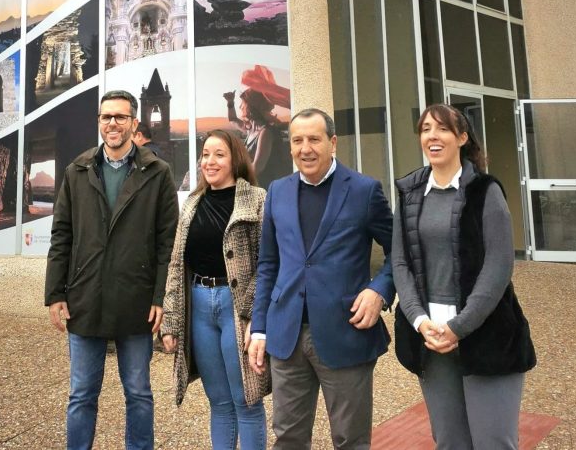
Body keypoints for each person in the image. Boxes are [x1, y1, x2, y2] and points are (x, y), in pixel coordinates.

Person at [248, 108, 395, 449]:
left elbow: (399, 252)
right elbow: (268, 264)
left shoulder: (364, 190)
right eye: (297, 140)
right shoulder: (277, 192)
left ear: (333, 143)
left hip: (345, 332)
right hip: (287, 337)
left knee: (350, 439)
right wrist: (259, 327)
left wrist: (379, 290)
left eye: (314, 139)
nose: (305, 148)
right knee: (288, 438)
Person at [392, 104, 536, 449]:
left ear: (462, 137)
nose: (432, 136)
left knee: (493, 442)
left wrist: (459, 327)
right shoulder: (409, 193)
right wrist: (419, 320)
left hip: (486, 335)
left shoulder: (486, 191)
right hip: (430, 339)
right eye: (426, 129)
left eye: (442, 129)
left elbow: (499, 266)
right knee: (450, 441)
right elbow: (401, 263)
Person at [45, 89, 179, 450]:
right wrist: (56, 293)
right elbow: (62, 236)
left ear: (135, 123)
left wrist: (160, 297)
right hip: (85, 298)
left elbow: (168, 244)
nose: (112, 123)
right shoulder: (78, 170)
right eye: (106, 117)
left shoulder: (158, 173)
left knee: (138, 392)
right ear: (99, 122)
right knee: (81, 394)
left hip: (136, 301)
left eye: (120, 117)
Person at [161, 129, 270, 449]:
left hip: (236, 309)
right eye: (205, 154)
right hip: (199, 306)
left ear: (235, 158)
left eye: (218, 154)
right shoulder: (192, 203)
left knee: (246, 399)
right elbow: (177, 265)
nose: (210, 161)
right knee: (219, 402)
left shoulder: (257, 199)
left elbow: (268, 263)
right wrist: (170, 319)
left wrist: (254, 315)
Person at [224, 67, 291, 189]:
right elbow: (233, 120)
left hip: (266, 190)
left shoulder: (265, 133)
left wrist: (231, 181)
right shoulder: (251, 129)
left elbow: (257, 168)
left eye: (243, 103)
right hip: (254, 187)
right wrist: (230, 103)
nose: (240, 107)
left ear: (252, 106)